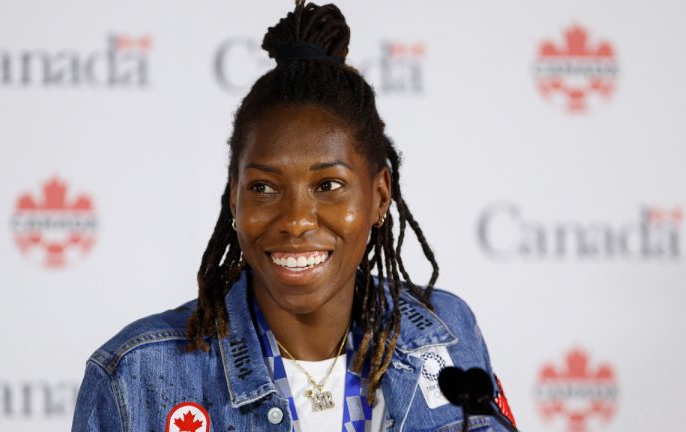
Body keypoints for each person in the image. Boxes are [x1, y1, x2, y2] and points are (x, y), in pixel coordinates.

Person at [71, 1, 516, 431]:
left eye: (328, 186)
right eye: (263, 188)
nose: (296, 220)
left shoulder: (447, 333)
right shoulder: (136, 377)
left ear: (380, 196)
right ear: (233, 200)